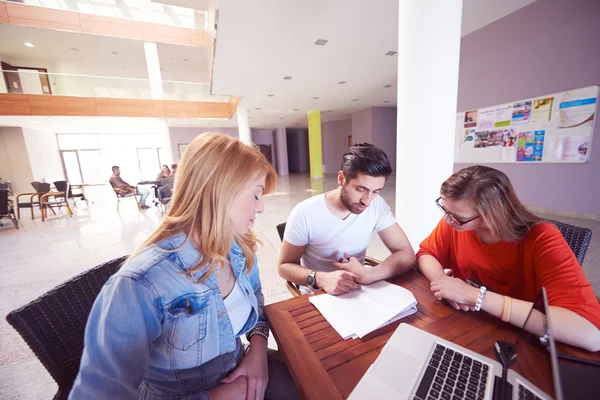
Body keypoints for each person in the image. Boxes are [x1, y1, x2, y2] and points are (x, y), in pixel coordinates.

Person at [71, 133, 299, 400]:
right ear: (219, 191)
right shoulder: (141, 283)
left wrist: (257, 350)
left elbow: (257, 299)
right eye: (256, 195)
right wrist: (215, 398)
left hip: (243, 370)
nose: (261, 208)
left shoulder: (239, 247)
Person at [418, 165, 600, 351]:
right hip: (470, 325)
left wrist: (475, 296)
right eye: (444, 209)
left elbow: (591, 333)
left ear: (491, 214)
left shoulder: (542, 238)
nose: (447, 220)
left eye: (457, 217)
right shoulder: (455, 224)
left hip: (521, 342)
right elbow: (426, 253)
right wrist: (443, 283)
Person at [278, 142, 416, 295]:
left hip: (357, 290)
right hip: (317, 295)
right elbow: (284, 266)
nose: (367, 200)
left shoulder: (376, 205)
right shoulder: (304, 212)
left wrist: (368, 275)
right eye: (360, 189)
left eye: (376, 191)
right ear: (341, 178)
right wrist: (321, 279)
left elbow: (406, 254)